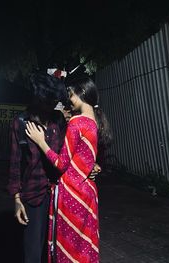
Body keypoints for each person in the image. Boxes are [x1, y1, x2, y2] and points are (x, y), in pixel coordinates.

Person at [26, 77, 111, 262]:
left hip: (72, 192)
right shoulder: (94, 122)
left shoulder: (76, 122)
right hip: (88, 192)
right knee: (83, 246)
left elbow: (61, 164)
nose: (68, 100)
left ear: (81, 94)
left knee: (68, 249)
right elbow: (86, 159)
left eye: (71, 95)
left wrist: (41, 142)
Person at [8, 73, 67, 263]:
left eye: (55, 100)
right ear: (38, 98)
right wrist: (17, 199)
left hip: (61, 192)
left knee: (59, 249)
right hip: (34, 194)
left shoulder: (58, 120)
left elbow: (68, 153)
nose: (52, 105)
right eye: (49, 100)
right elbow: (15, 163)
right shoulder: (21, 123)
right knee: (33, 252)